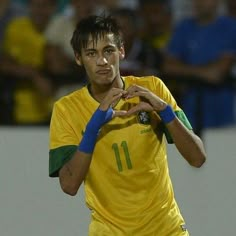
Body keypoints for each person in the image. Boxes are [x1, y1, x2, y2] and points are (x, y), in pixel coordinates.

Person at [49, 15, 206, 235]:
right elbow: (69, 185)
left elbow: (197, 158)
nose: (102, 61)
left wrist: (166, 112)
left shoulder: (152, 88)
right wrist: (92, 129)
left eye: (108, 51)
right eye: (91, 53)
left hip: (166, 229)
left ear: (121, 51)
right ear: (78, 58)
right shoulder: (66, 109)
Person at [162, 0, 236, 132]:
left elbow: (216, 74)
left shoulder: (230, 27)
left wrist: (185, 70)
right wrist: (204, 71)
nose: (200, 2)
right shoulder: (184, 27)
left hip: (222, 112)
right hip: (189, 111)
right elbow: (168, 66)